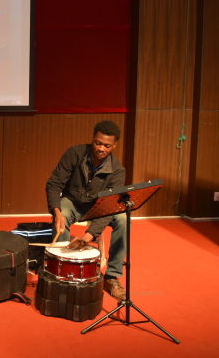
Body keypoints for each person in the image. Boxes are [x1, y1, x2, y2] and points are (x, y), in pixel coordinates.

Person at [45, 120, 128, 301]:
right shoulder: (74, 153)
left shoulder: (117, 170)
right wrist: (56, 212)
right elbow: (54, 184)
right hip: (73, 202)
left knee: (123, 219)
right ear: (93, 139)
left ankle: (112, 276)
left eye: (107, 146)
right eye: (98, 143)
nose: (101, 148)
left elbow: (109, 207)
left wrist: (88, 237)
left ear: (114, 146)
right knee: (63, 213)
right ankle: (64, 270)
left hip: (99, 209)